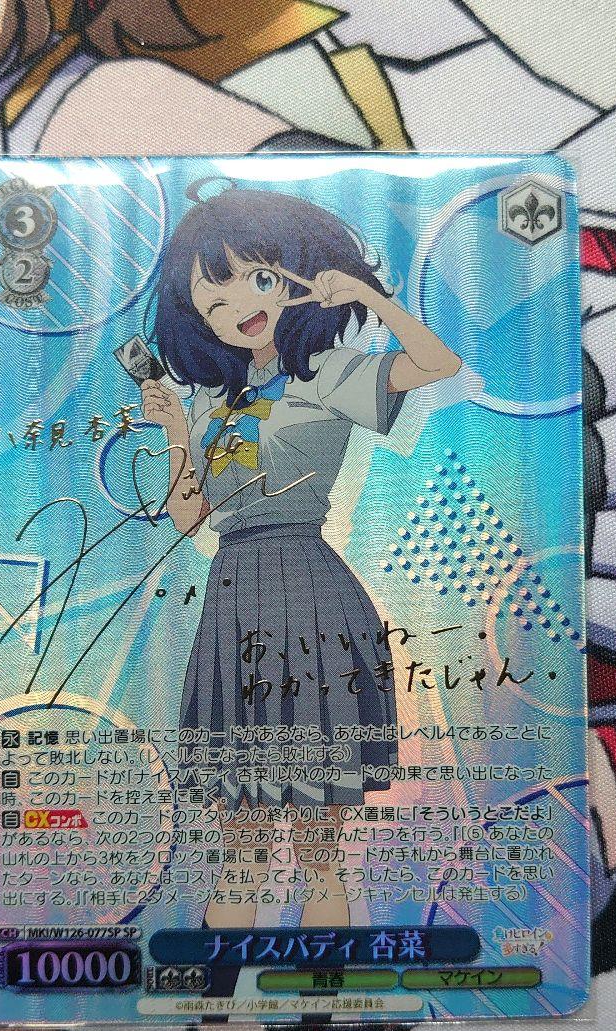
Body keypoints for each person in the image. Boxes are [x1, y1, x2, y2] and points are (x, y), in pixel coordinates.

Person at [140, 181, 462, 929]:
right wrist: (176, 434)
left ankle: (323, 984)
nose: (238, 308)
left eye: (255, 279)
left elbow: (436, 363)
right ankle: (222, 984)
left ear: (295, 274)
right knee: (241, 848)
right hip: (233, 600)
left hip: (310, 593)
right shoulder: (211, 401)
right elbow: (189, 516)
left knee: (320, 848)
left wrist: (369, 297)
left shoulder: (330, 373)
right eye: (213, 301)